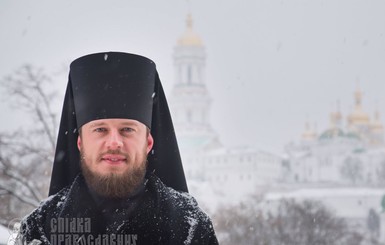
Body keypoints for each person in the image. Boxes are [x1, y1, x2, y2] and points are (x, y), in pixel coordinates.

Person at [15, 52, 218, 244]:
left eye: (127, 129)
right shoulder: (38, 229)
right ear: (80, 143)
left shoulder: (191, 228)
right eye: (100, 129)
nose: (114, 142)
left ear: (148, 142)